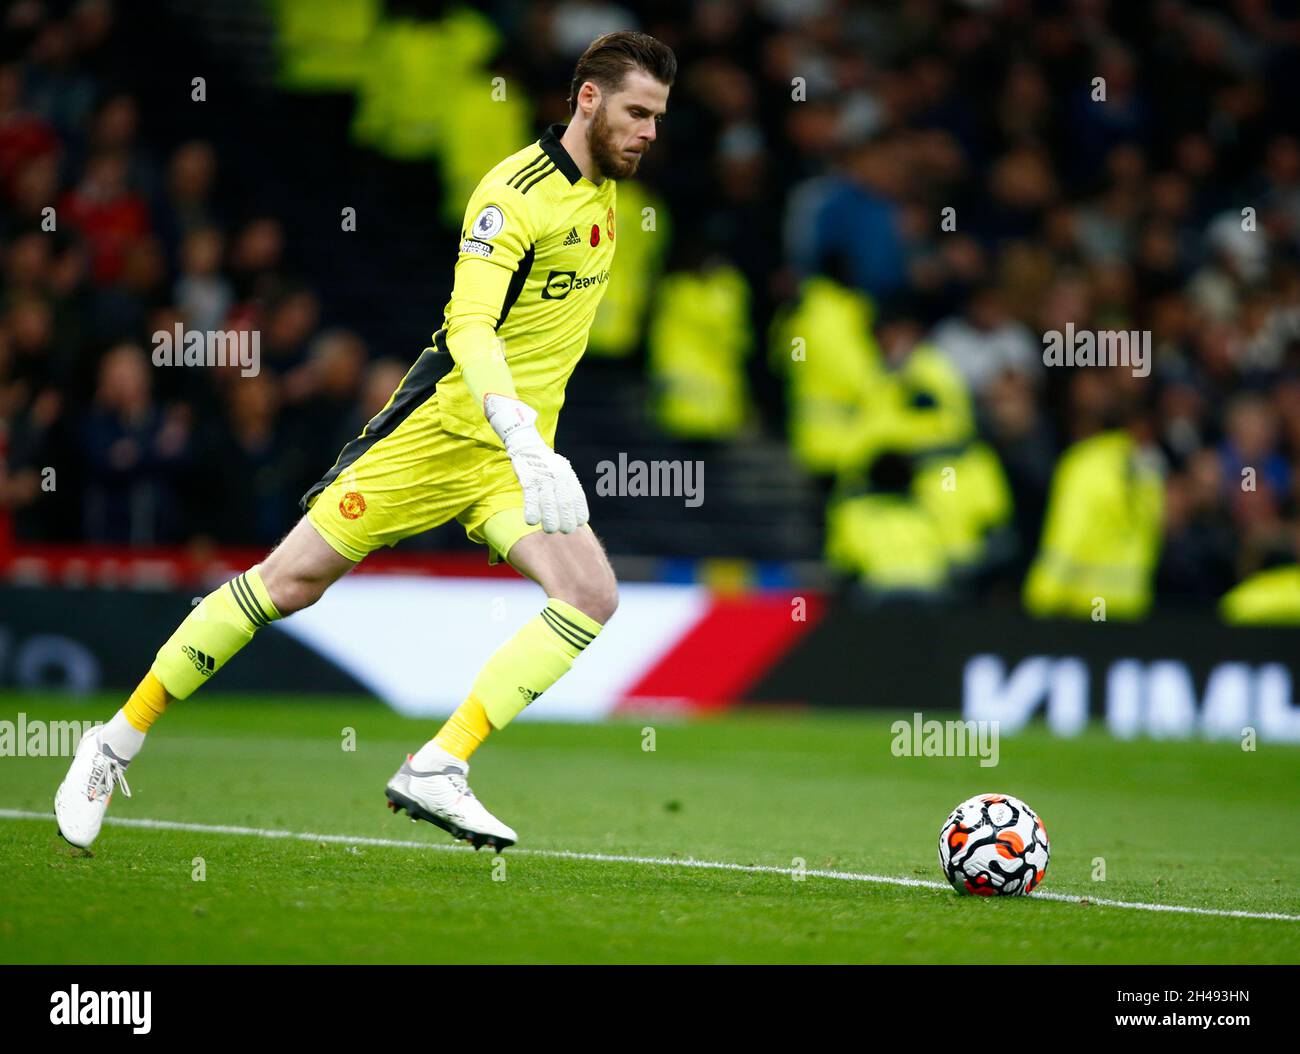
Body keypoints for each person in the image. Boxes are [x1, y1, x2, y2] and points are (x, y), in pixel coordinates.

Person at [54, 30, 677, 853]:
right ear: (587, 100)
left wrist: (525, 443)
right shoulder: (511, 195)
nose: (650, 133)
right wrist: (520, 427)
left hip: (506, 462)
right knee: (287, 585)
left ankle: (438, 766)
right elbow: (471, 323)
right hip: (439, 438)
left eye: (659, 118)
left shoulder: (604, 198)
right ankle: (112, 742)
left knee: (591, 596)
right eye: (637, 112)